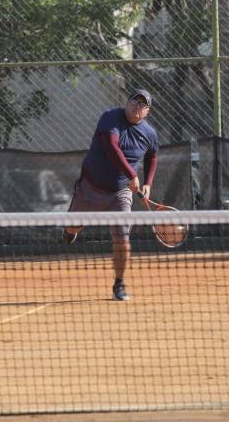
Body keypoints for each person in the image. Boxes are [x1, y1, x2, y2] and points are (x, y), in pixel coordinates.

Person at [63, 89, 159, 301]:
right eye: (135, 101)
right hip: (90, 187)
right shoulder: (110, 117)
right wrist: (132, 174)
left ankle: (119, 283)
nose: (138, 107)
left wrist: (148, 183)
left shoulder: (150, 133)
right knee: (71, 227)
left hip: (120, 193)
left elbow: (152, 156)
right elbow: (110, 146)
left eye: (143, 105)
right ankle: (72, 229)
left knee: (122, 239)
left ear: (147, 112)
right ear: (127, 102)